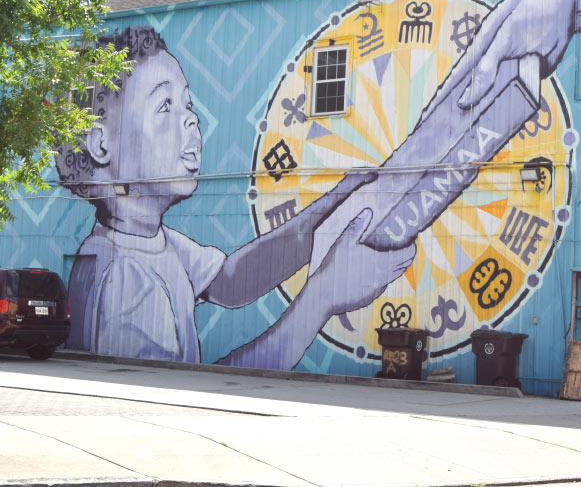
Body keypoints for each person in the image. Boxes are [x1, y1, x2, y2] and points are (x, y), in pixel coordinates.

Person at [56, 27, 415, 369]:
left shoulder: (147, 240)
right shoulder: (125, 280)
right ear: (102, 144)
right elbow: (180, 393)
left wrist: (328, 207)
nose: (192, 121)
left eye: (188, 104)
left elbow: (231, 280)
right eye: (165, 107)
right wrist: (321, 298)